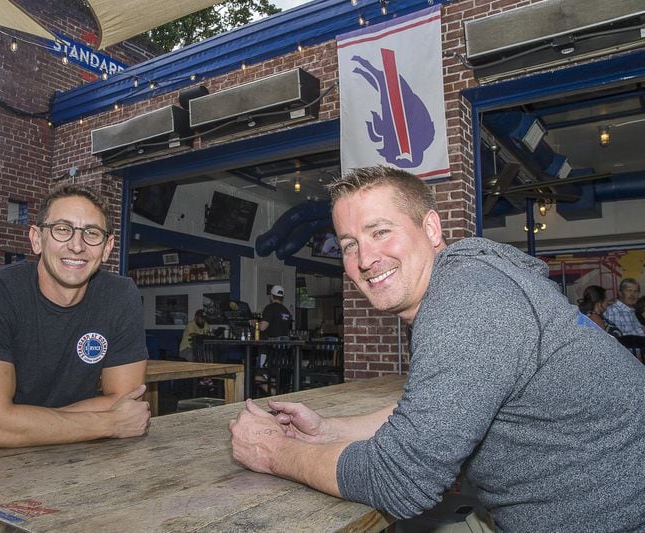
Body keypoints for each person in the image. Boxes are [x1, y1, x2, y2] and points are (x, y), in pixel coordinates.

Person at [229, 165, 645, 532]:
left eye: (380, 232)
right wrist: (327, 431)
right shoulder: (460, 286)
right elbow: (440, 410)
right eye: (350, 244)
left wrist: (274, 452)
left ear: (430, 229)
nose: (365, 257)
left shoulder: (469, 300)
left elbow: (400, 480)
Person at [0, 184, 151, 448]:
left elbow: (125, 399)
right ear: (37, 239)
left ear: (107, 247)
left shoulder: (121, 295)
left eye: (92, 233)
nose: (77, 245)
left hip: (82, 455)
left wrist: (13, 426)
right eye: (62, 229)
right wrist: (111, 423)